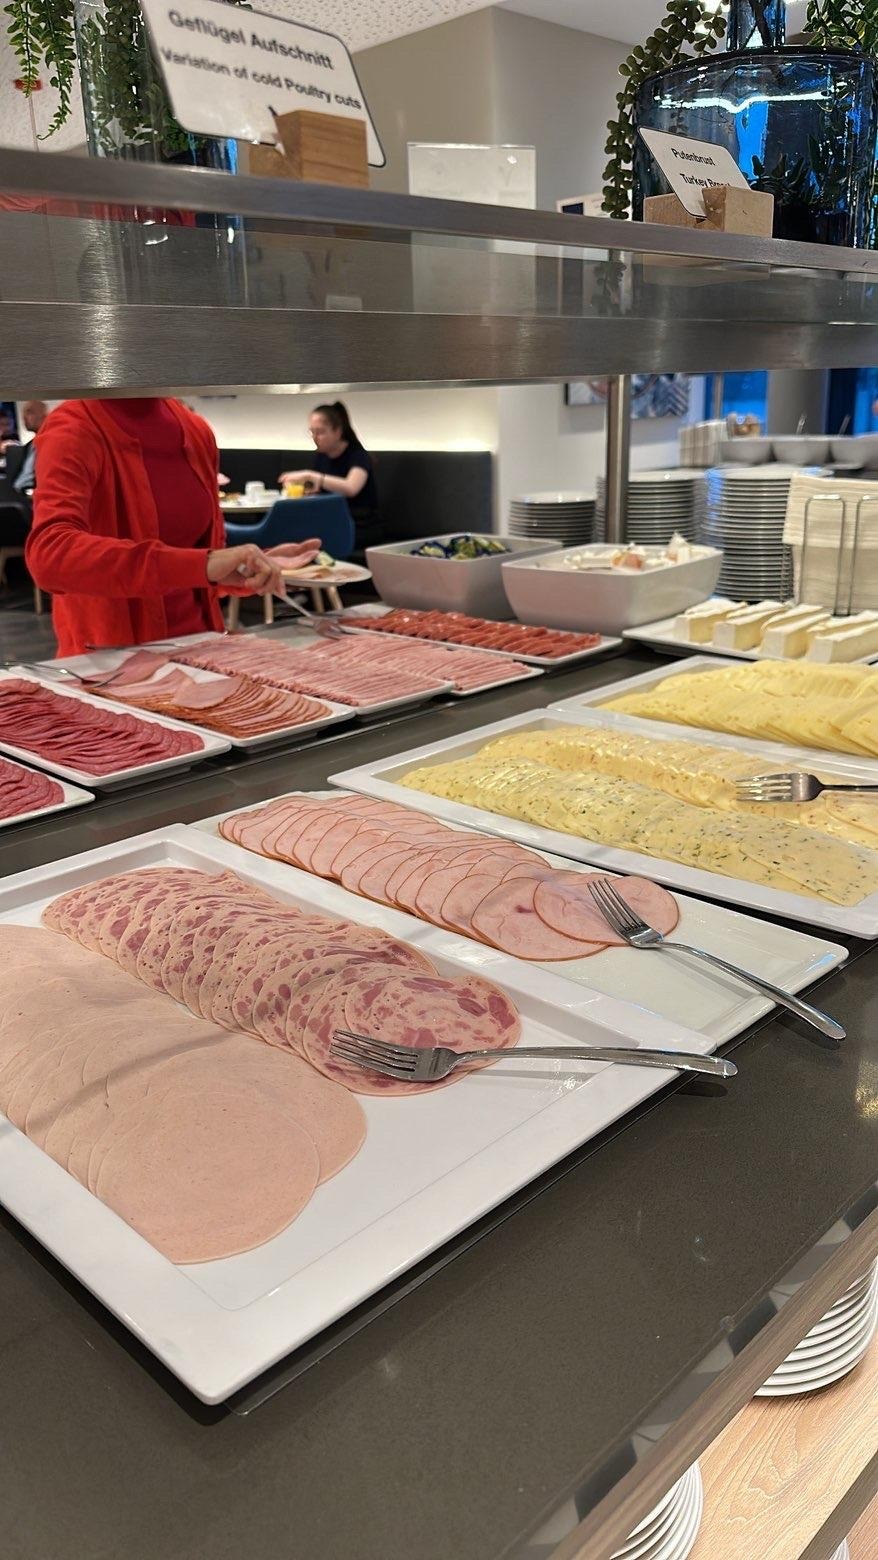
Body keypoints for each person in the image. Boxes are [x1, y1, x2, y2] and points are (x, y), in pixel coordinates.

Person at [25, 398, 284, 657]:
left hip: (202, 652)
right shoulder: (74, 427)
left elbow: (196, 567)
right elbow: (51, 556)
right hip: (113, 663)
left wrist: (255, 567)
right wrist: (202, 565)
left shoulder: (196, 429)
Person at [279, 401, 382, 551]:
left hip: (359, 524)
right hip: (331, 519)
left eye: (320, 432)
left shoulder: (358, 456)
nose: (315, 437)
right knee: (289, 529)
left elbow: (351, 488)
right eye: (312, 432)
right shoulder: (322, 456)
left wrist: (312, 476)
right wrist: (303, 489)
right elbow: (319, 490)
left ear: (338, 431)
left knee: (304, 536)